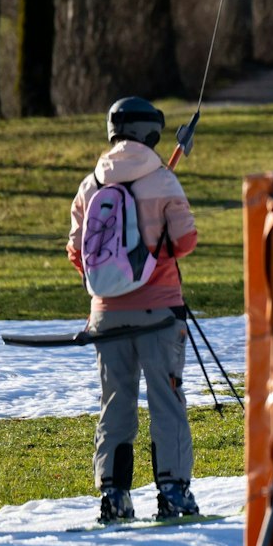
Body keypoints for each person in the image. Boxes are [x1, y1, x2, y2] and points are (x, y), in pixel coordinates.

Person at [66, 97, 200, 523]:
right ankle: (173, 493)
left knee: (115, 402)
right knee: (167, 401)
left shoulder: (90, 184)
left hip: (105, 315)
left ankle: (114, 496)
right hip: (159, 312)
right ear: (150, 134)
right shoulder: (162, 180)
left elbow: (76, 253)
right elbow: (185, 242)